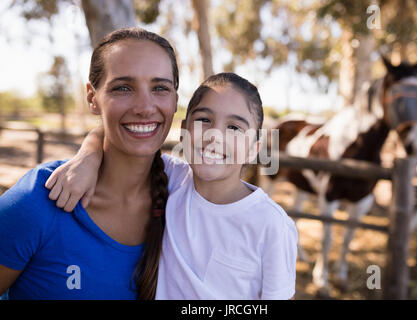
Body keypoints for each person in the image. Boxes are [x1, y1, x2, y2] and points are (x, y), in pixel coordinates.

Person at [46, 72, 298, 299]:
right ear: (183, 133)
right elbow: (111, 135)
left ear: (254, 149)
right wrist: (88, 156)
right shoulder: (173, 178)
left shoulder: (271, 225)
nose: (214, 136)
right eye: (203, 120)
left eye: (233, 127)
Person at [0, 27, 183, 299]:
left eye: (160, 88)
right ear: (92, 98)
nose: (145, 106)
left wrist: (92, 147)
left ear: (175, 100)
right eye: (123, 88)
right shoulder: (40, 198)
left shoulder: (187, 200)